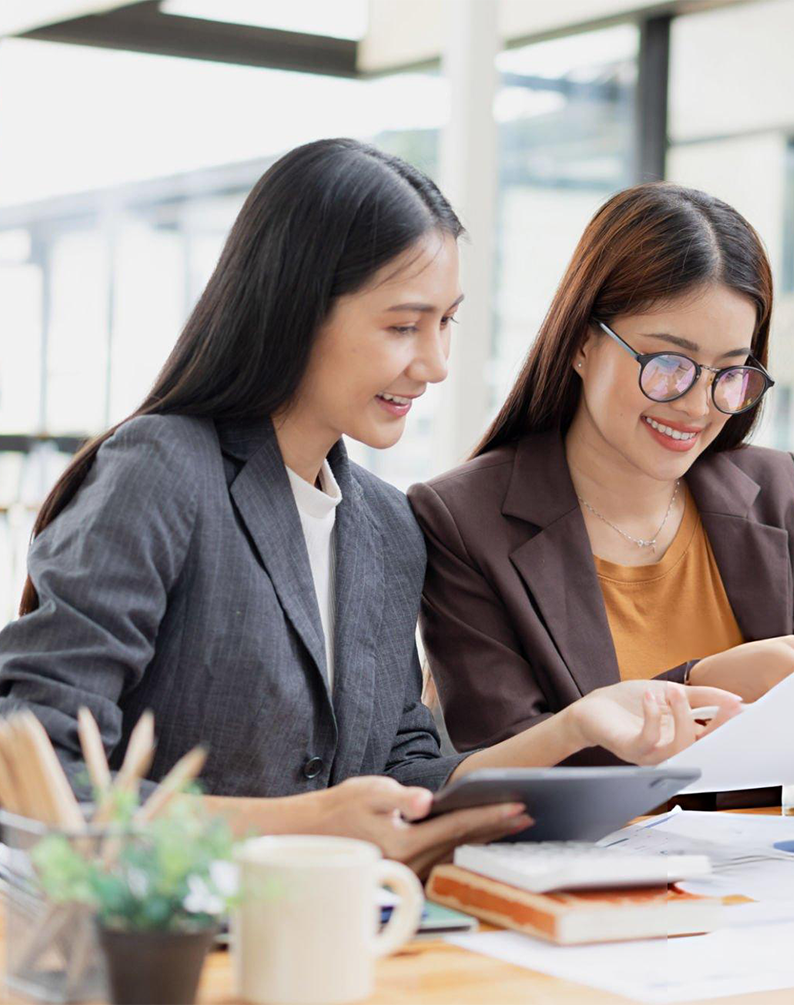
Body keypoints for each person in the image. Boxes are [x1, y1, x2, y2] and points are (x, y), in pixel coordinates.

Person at [0, 145, 741, 875]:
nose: (436, 362)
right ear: (295, 309)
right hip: (152, 957)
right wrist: (302, 826)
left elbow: (406, 778)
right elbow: (32, 766)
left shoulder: (385, 525)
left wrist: (574, 727)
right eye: (402, 325)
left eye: (446, 321)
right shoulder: (160, 472)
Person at [409, 183, 794, 830]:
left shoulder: (776, 492)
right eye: (669, 363)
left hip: (751, 903)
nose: (698, 406)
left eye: (730, 372)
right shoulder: (463, 519)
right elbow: (509, 780)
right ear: (582, 343)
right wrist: (705, 679)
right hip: (576, 905)